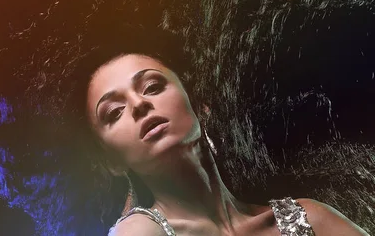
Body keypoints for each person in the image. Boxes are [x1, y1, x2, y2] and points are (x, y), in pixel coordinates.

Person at [79, 35, 370, 236]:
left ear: (198, 105)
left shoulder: (311, 219)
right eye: (114, 112)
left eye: (153, 87)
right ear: (111, 162)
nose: (140, 104)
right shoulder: (138, 232)